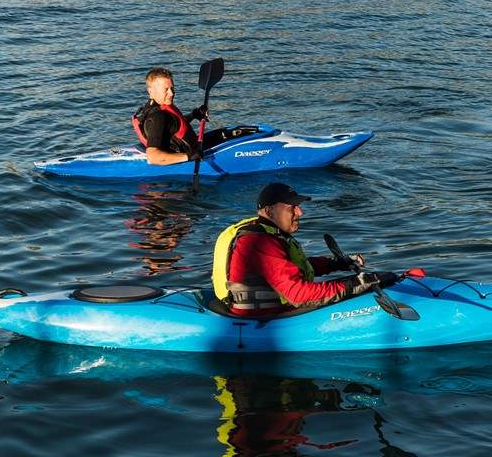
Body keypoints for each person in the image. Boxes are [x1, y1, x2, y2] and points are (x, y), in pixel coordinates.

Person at [211, 182, 397, 317]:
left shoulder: (265, 232)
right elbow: (299, 295)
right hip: (264, 318)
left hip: (267, 311)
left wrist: (336, 264)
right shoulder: (259, 241)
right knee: (355, 289)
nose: (300, 212)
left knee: (355, 285)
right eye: (292, 208)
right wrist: (358, 283)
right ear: (269, 212)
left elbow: (292, 268)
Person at [132, 66, 204, 166]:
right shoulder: (158, 117)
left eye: (172, 88)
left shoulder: (159, 108)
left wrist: (194, 115)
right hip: (189, 158)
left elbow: (173, 127)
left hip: (193, 151)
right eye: (166, 89)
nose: (171, 93)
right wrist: (188, 157)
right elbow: (152, 157)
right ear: (151, 92)